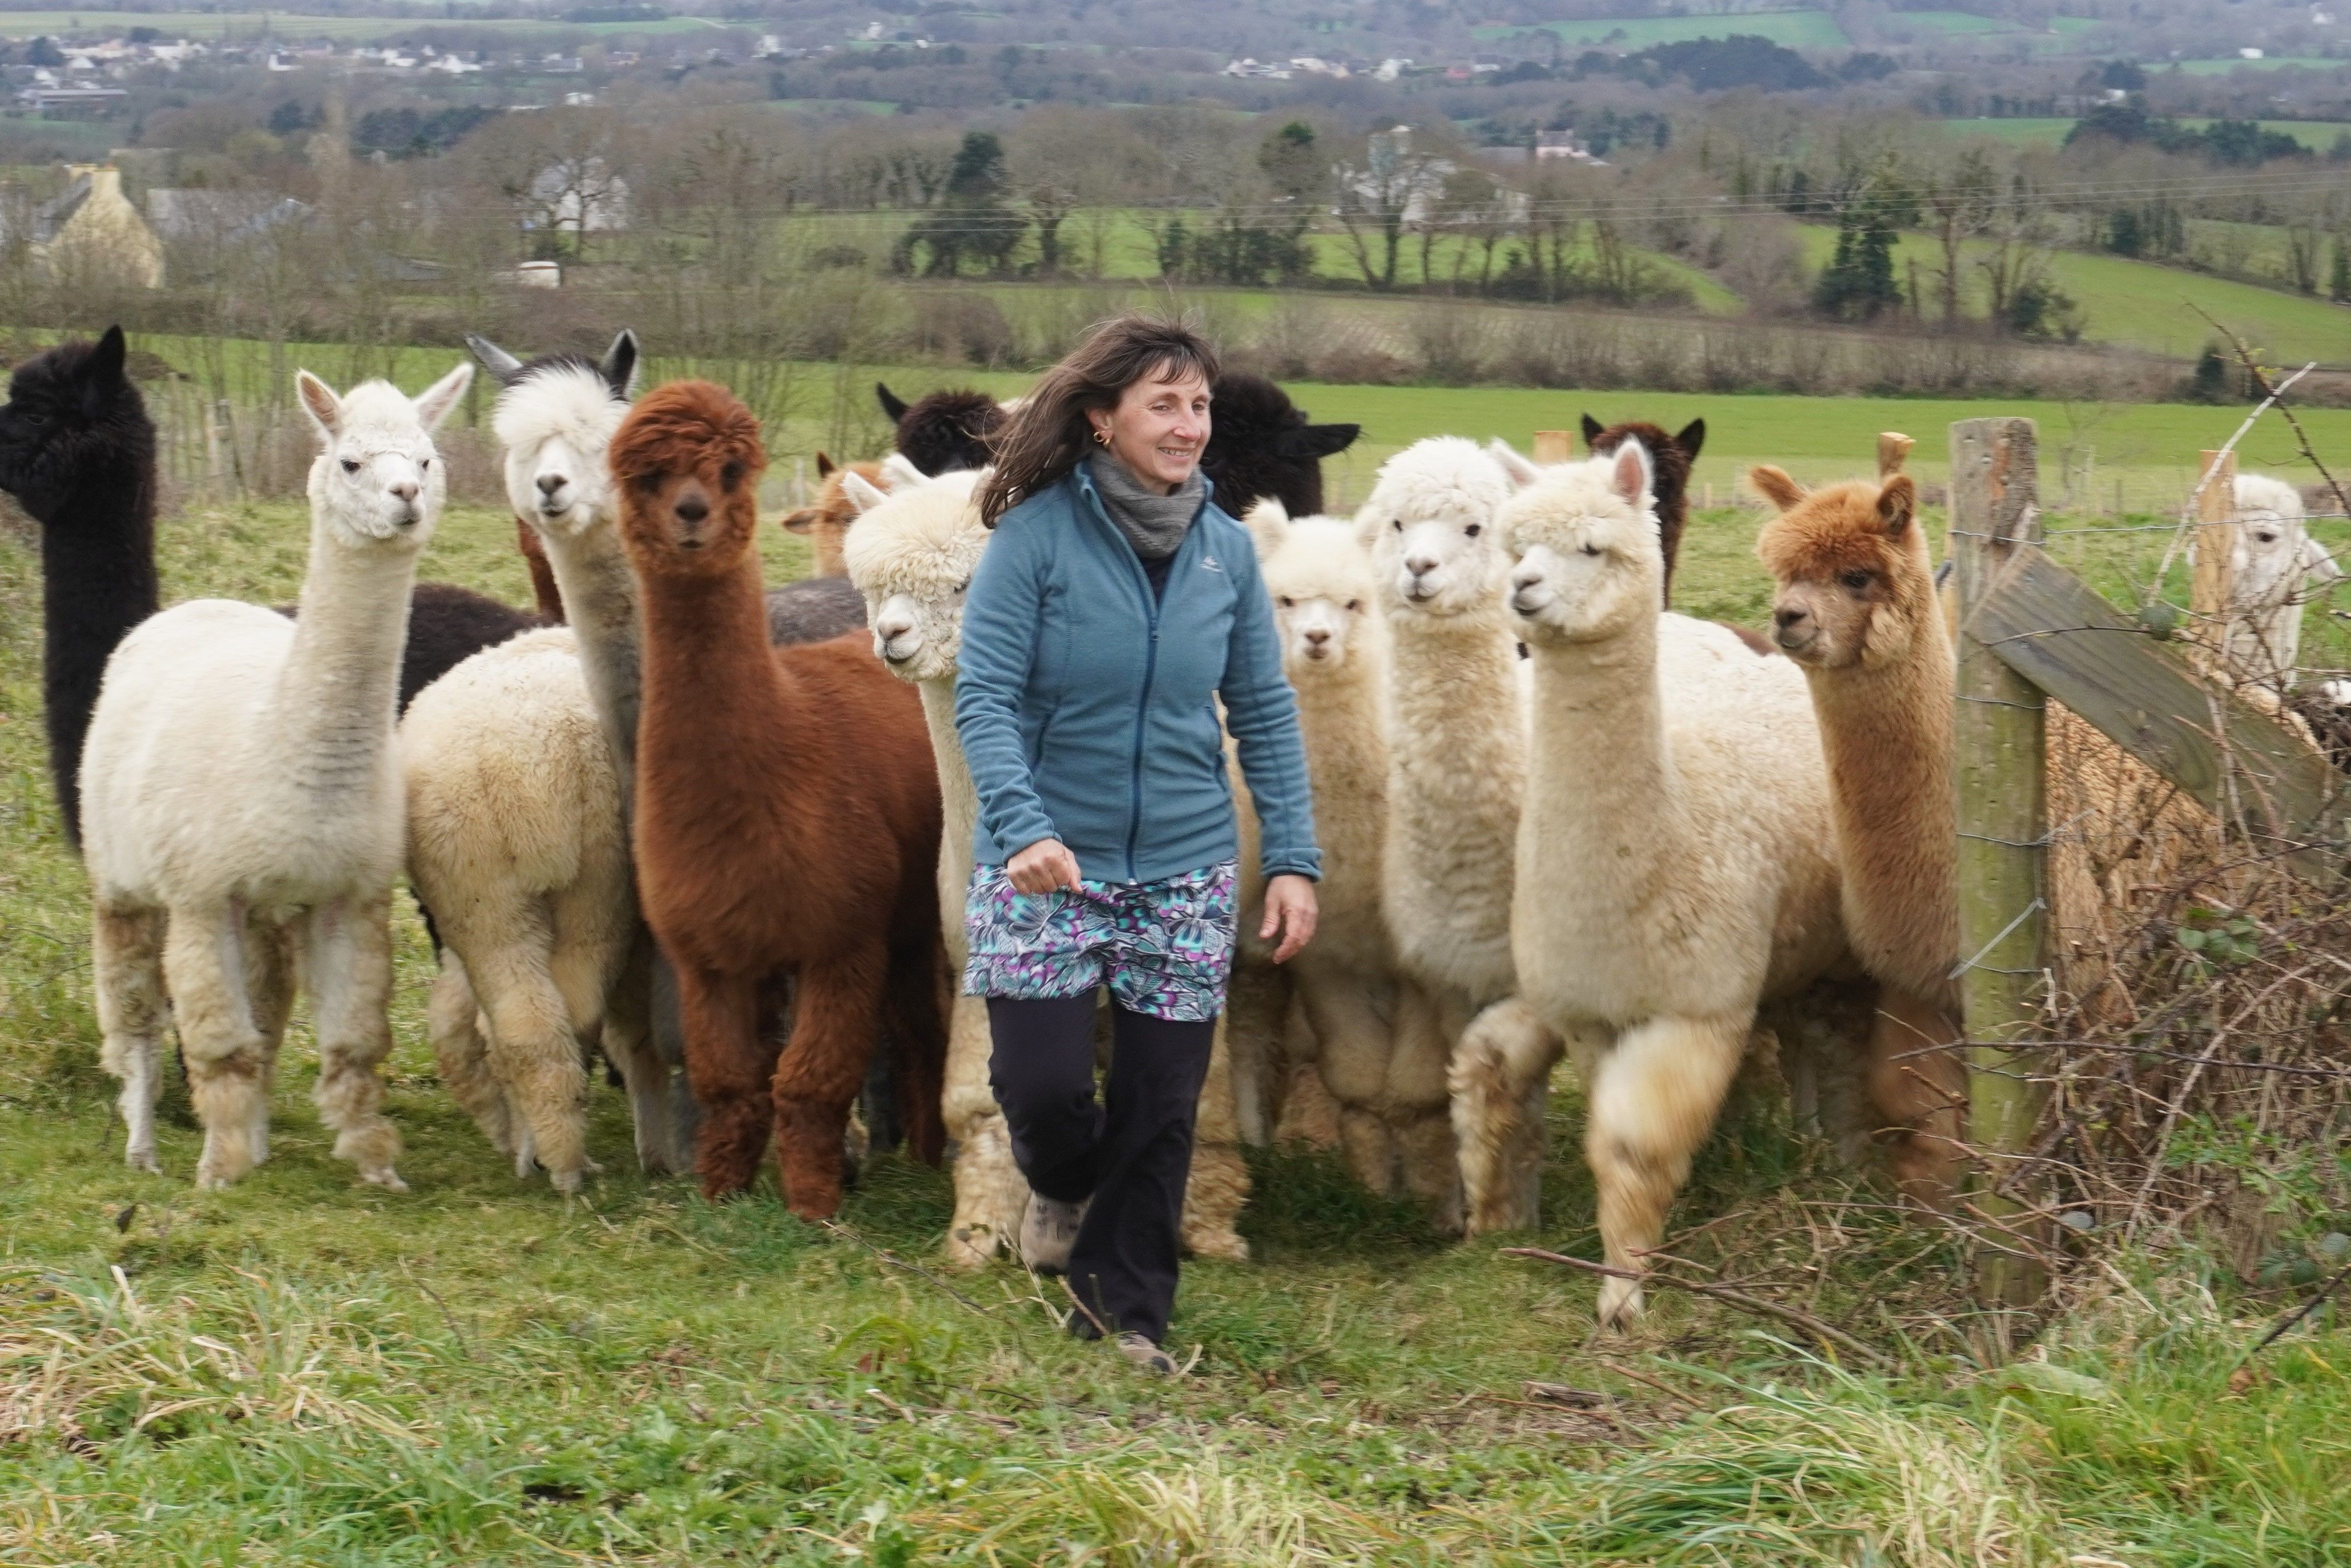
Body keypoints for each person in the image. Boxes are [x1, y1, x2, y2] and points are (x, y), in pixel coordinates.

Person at [957, 317, 1320, 1375]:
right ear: (1101, 419)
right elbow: (983, 698)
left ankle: (1131, 1317)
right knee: (1046, 1090)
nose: (1189, 424)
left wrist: (1293, 857)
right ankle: (1063, 1188)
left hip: (1184, 863)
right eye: (1164, 403)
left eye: (1199, 404)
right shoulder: (1034, 542)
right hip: (1044, 862)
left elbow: (1262, 707)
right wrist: (1021, 828)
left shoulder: (1225, 554)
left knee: (1163, 1107)